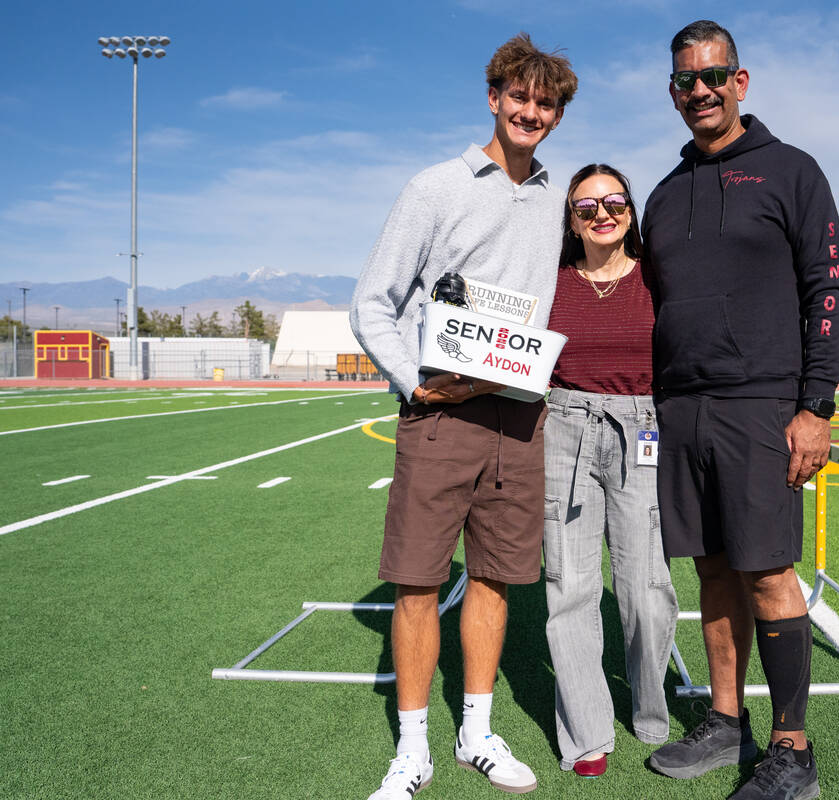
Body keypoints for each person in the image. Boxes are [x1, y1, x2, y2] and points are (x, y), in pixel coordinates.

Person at [349, 33, 577, 799]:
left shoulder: (558, 199)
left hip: (519, 420)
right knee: (416, 583)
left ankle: (475, 732)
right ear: (494, 97)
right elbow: (371, 304)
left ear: (556, 114)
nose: (530, 111)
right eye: (520, 96)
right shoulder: (434, 187)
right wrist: (416, 383)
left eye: (546, 103)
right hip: (441, 418)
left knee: (494, 578)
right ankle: (411, 749)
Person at [641, 20, 839, 800]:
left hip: (762, 404)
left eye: (712, 76)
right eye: (684, 81)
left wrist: (816, 405)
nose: (699, 91)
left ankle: (792, 750)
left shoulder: (792, 173)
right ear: (673, 91)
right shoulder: (662, 195)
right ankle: (726, 720)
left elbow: (826, 291)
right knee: (714, 570)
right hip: (683, 409)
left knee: (766, 571)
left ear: (741, 81)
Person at [542, 165, 679, 778]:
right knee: (570, 584)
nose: (602, 213)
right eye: (586, 206)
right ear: (570, 219)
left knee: (646, 587)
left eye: (614, 201)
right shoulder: (551, 282)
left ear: (631, 209)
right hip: (564, 426)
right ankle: (586, 731)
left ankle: (650, 707)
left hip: (641, 429)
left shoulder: (659, 278)